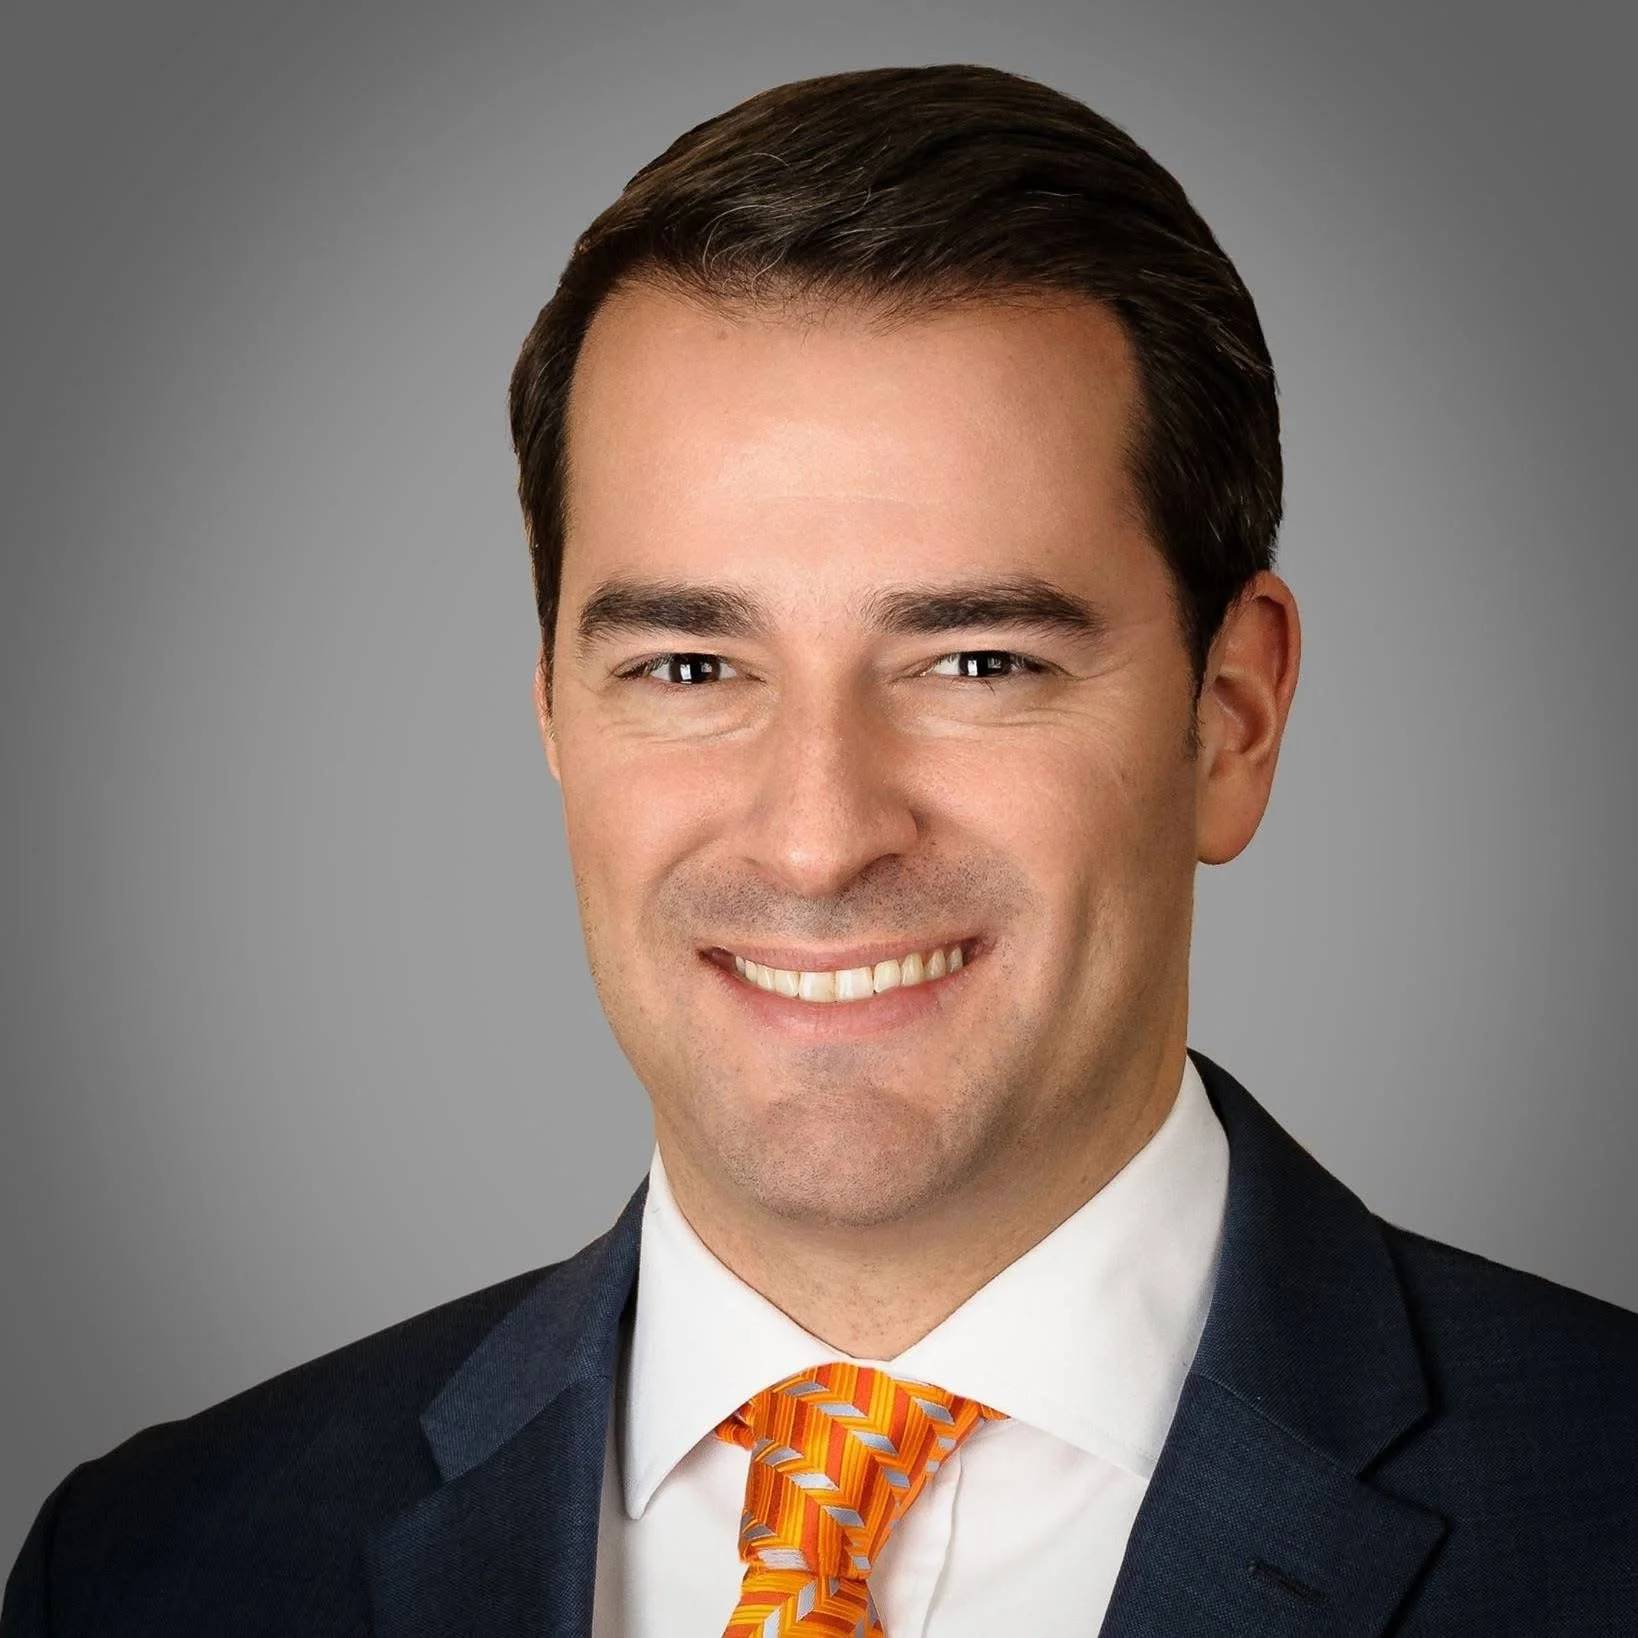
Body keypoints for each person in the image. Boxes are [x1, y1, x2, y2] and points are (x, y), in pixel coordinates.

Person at [6, 60, 1636, 1638]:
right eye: (690, 668)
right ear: (557, 716)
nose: (815, 833)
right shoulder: (155, 1565)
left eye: (976, 662)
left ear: (1230, 718)